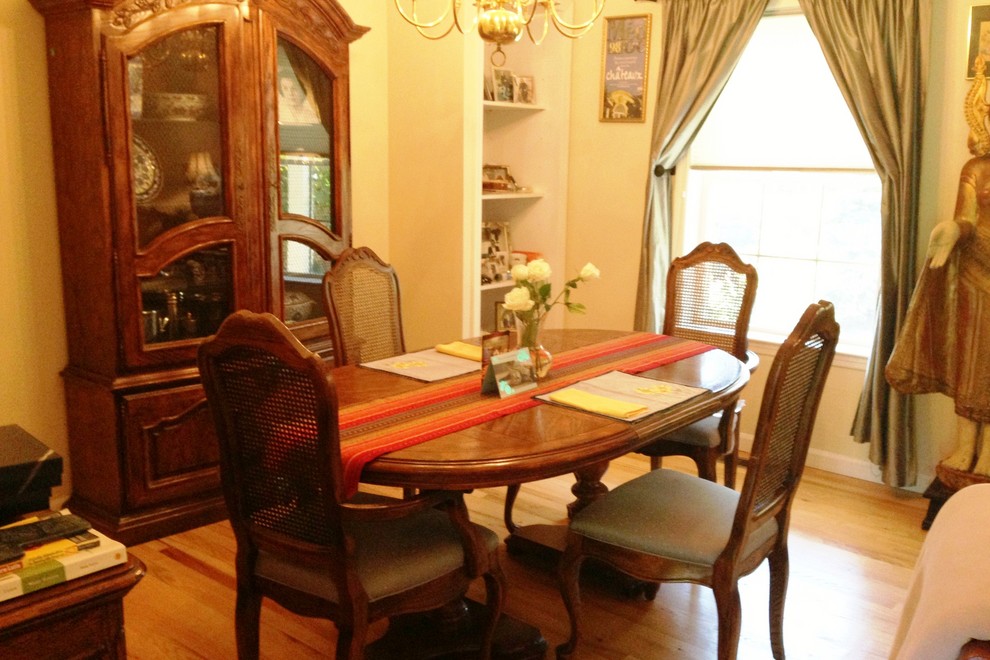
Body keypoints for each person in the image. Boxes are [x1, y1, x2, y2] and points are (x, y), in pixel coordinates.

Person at [886, 60, 990, 477]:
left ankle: (989, 453)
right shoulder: (976, 169)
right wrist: (951, 230)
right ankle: (966, 447)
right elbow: (966, 218)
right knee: (970, 366)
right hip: (975, 274)